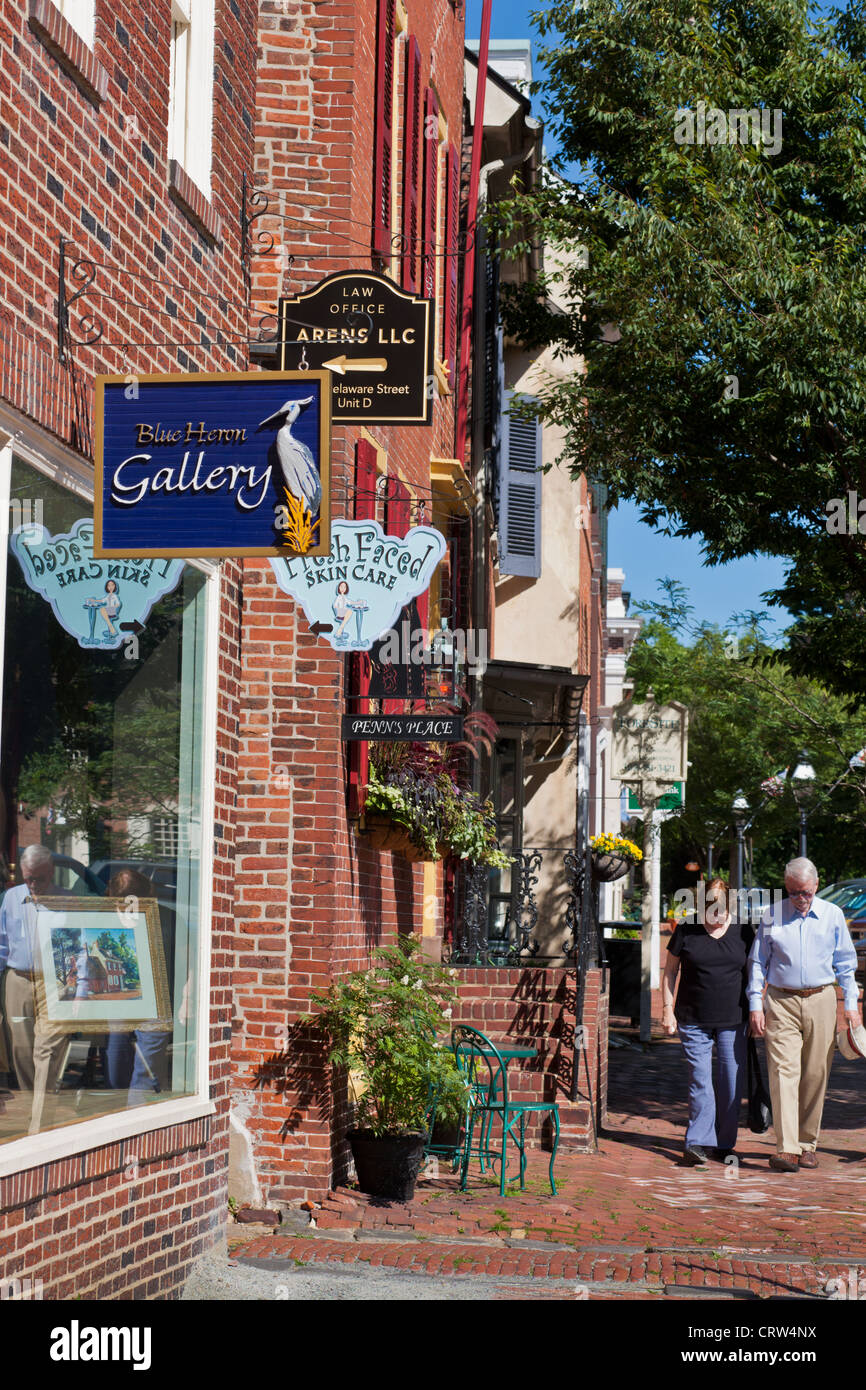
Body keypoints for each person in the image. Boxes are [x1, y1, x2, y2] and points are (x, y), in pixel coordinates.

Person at [748, 856, 859, 1172]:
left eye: (806, 892)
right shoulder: (772, 915)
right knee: (783, 1071)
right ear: (786, 886)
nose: (800, 899)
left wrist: (850, 1004)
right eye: (794, 892)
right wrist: (756, 1003)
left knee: (815, 1073)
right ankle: (787, 1148)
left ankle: (808, 1144)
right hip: (781, 1000)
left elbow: (846, 965)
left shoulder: (833, 915)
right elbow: (758, 962)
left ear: (816, 885)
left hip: (822, 999)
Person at [662, 877, 754, 1165]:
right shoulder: (687, 930)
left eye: (721, 910)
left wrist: (757, 1010)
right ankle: (698, 1142)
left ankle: (725, 1142)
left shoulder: (744, 932)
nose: (715, 917)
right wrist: (667, 1009)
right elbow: (670, 972)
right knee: (700, 1080)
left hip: (733, 1018)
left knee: (730, 1082)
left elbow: (755, 974)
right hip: (693, 1018)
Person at [0, 844, 71, 1112]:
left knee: (47, 1048)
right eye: (27, 878)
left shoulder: (67, 900)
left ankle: (43, 1105)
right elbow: (2, 943)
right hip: (17, 979)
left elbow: (79, 947)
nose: (32, 885)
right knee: (21, 1048)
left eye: (38, 879)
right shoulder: (10, 898)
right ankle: (35, 1106)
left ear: (51, 872)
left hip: (55, 981)